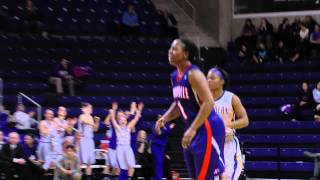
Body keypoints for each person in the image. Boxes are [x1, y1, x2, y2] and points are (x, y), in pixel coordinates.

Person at [155, 38, 226, 180]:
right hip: (192, 127)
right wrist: (165, 118)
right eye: (170, 49)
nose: (170, 52)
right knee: (195, 176)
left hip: (207, 126)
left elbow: (209, 102)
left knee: (204, 177)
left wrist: (193, 129)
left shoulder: (194, 74)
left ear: (186, 53)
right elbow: (178, 103)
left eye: (175, 49)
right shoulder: (174, 76)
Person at [207, 67, 249, 180]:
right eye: (207, 78)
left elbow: (245, 120)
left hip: (228, 145)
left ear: (222, 81)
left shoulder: (231, 98)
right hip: (211, 145)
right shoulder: (203, 99)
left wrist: (228, 125)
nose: (208, 80)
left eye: (212, 78)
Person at [109, 107, 142, 179]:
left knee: (131, 164)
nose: (123, 121)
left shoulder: (129, 127)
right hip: (120, 148)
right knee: (122, 167)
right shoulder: (117, 128)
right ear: (119, 121)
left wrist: (138, 111)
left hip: (127, 147)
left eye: (124, 119)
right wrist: (113, 112)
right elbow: (113, 120)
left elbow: (135, 119)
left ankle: (129, 178)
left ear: (126, 121)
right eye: (121, 119)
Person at [78, 102, 100, 180]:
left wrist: (97, 122)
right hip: (83, 140)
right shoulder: (82, 116)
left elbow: (95, 129)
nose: (91, 109)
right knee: (80, 162)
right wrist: (94, 122)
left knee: (89, 163)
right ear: (85, 108)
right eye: (90, 108)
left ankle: (88, 177)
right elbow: (85, 122)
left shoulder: (91, 117)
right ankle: (77, 177)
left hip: (90, 140)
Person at [151, 115, 175, 180]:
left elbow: (168, 131)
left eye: (162, 119)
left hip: (163, 147)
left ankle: (157, 178)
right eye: (160, 119)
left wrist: (164, 126)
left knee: (160, 163)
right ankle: (158, 178)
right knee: (158, 162)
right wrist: (159, 124)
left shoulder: (167, 125)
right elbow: (159, 133)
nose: (161, 120)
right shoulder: (154, 125)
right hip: (156, 146)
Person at [102, 102, 119, 180]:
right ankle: (106, 178)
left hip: (116, 144)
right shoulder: (113, 122)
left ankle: (113, 177)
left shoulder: (120, 124)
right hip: (108, 143)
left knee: (115, 164)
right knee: (108, 163)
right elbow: (106, 122)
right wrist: (112, 112)